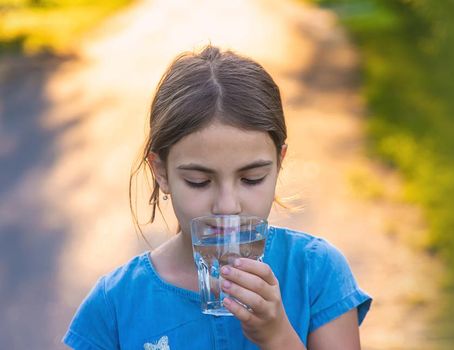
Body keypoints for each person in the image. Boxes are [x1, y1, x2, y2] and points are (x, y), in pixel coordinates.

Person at [63, 45, 372, 349]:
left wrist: (277, 337)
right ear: (160, 172)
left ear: (279, 163)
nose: (227, 206)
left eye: (252, 179)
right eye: (199, 181)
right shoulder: (114, 306)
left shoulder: (316, 271)